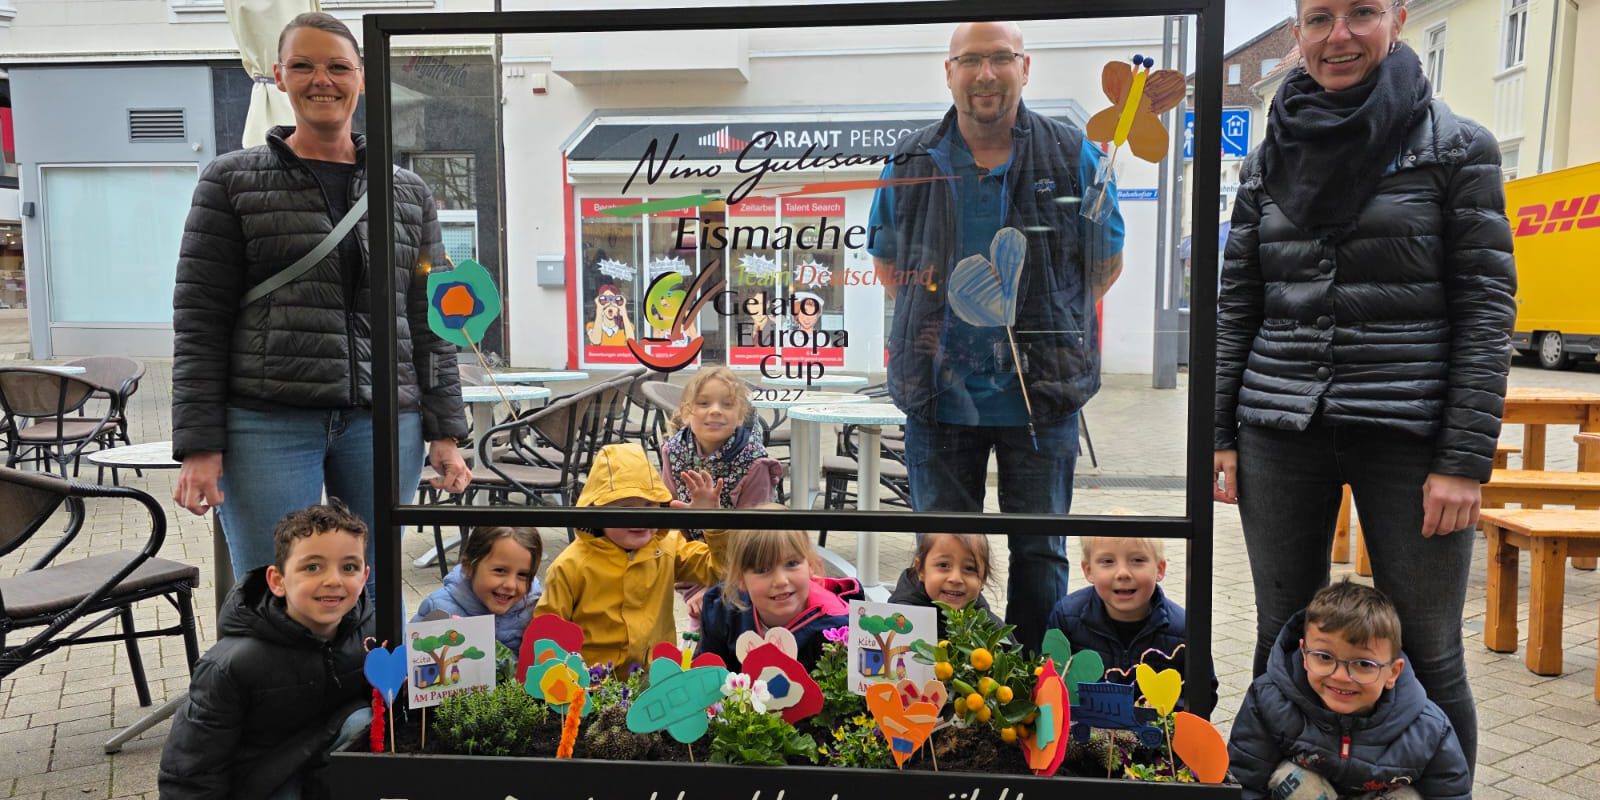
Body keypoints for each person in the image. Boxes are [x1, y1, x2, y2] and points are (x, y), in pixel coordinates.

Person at [1213, 0, 1515, 768]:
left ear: (1399, 19)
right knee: (1285, 632)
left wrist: (1463, 460)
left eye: (1362, 12)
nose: (1338, 34)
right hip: (1280, 425)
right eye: (1319, 17)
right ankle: (1278, 784)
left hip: (1409, 435)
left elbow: (1486, 310)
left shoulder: (1456, 149)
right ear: (1298, 32)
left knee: (1426, 644)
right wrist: (1220, 433)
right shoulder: (1268, 155)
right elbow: (1239, 300)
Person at [170, 12, 471, 587]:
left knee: (374, 586)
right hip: (266, 421)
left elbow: (430, 320)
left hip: (384, 422)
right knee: (273, 588)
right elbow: (200, 320)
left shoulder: (407, 191)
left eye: (338, 66)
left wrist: (446, 433)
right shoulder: (231, 180)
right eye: (303, 65)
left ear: (361, 78)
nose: (321, 80)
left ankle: (371, 683)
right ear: (280, 77)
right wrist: (200, 446)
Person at [867, 21, 1126, 654]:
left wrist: (1044, 320)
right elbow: (889, 265)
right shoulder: (912, 160)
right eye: (971, 60)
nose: (986, 74)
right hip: (938, 396)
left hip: (1042, 397)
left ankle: (1033, 688)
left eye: (1000, 59)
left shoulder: (1074, 153)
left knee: (1040, 552)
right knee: (944, 552)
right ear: (949, 70)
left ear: (1025, 67)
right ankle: (946, 687)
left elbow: (1105, 263)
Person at [159, 502, 374, 800]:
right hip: (259, 783)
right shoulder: (231, 664)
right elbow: (192, 766)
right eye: (312, 567)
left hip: (321, 764)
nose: (333, 580)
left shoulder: (370, 633)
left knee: (364, 720)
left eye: (349, 567)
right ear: (278, 581)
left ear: (364, 577)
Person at [1228, 580, 1472, 800]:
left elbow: (1450, 794)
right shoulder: (1269, 701)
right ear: (1304, 655)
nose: (1341, 676)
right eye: (1324, 657)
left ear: (1393, 673)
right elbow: (1244, 784)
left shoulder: (1428, 729)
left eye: (1363, 664)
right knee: (1294, 780)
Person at [533, 443, 725, 670]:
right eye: (625, 508)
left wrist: (713, 523)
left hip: (655, 682)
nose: (639, 518)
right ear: (596, 511)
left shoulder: (668, 546)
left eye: (648, 505)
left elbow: (720, 569)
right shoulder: (570, 566)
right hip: (592, 688)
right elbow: (547, 632)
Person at [1045, 537, 1217, 718]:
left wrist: (1168, 714)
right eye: (1107, 562)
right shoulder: (1066, 617)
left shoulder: (1183, 629)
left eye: (1137, 560)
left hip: (1159, 739)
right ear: (1089, 571)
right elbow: (1050, 681)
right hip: (1087, 736)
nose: (1123, 573)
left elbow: (1204, 693)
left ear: (1160, 569)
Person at [698, 526, 863, 671]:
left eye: (792, 564)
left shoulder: (838, 629)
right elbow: (706, 678)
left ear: (811, 564)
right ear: (740, 578)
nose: (781, 581)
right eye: (762, 569)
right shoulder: (723, 610)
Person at [660, 365, 783, 510]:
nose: (716, 411)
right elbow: (668, 509)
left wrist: (712, 518)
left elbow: (755, 529)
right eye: (703, 403)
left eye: (727, 404)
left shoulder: (754, 462)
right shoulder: (673, 451)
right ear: (686, 413)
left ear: (740, 416)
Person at [412, 526, 543, 657]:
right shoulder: (438, 609)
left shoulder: (533, 610)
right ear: (468, 567)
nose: (510, 585)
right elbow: (413, 658)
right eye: (500, 570)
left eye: (523, 575)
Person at [887, 533, 1002, 636]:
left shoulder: (991, 631)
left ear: (983, 579)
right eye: (943, 565)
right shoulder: (901, 621)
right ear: (921, 569)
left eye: (969, 568)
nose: (956, 579)